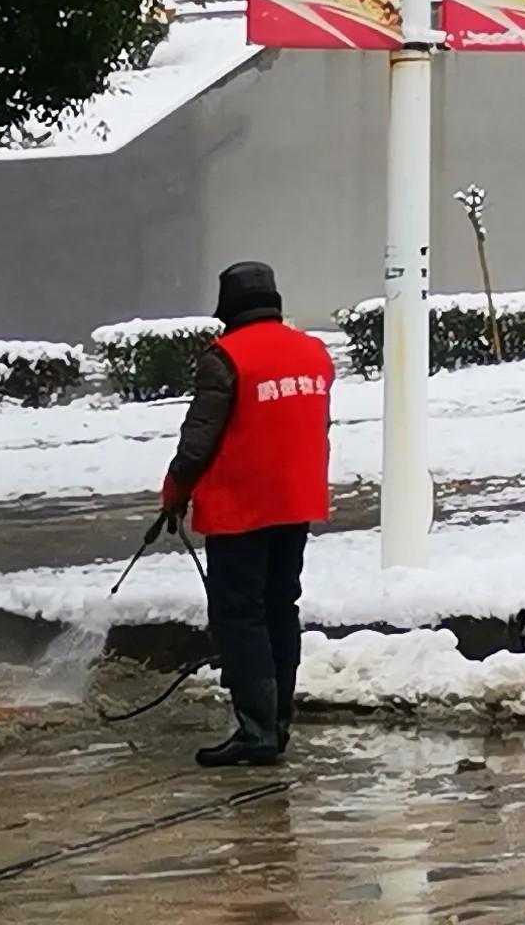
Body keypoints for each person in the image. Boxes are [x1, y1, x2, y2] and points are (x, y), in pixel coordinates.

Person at [158, 257, 335, 767]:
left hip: (241, 505)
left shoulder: (226, 357)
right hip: (296, 500)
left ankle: (255, 731)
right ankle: (276, 725)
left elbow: (197, 443)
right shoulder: (314, 354)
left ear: (227, 306)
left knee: (241, 615)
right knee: (282, 607)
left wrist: (174, 494)